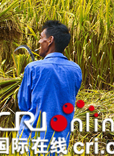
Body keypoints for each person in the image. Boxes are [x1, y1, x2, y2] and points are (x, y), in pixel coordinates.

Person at [17, 20, 82, 153]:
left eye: (41, 38)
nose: (39, 42)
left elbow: (23, 104)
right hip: (60, 139)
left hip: (32, 138)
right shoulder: (75, 69)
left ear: (50, 40)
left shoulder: (33, 68)